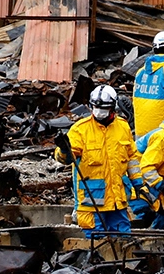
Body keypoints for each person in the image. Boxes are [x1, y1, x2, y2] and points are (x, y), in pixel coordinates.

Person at [55, 85, 144, 237]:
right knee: (96, 243)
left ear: (113, 107)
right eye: (96, 107)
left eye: (103, 107)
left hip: (117, 200)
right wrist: (64, 150)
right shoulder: (80, 130)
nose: (99, 111)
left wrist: (138, 183)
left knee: (123, 240)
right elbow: (66, 158)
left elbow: (131, 158)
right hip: (92, 202)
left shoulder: (123, 127)